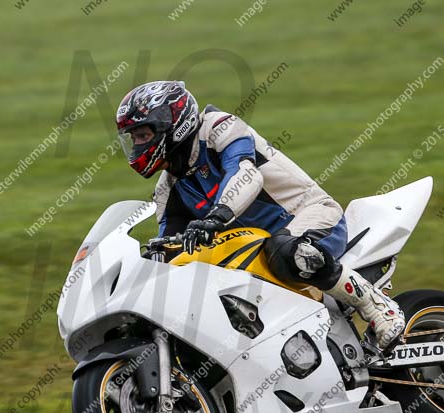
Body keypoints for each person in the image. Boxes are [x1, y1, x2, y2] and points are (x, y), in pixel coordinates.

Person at [116, 80, 404, 349]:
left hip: (307, 215)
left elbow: (245, 175)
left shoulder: (221, 128)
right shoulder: (168, 189)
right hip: (252, 249)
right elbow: (172, 249)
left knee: (286, 251)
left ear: (173, 123)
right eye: (133, 138)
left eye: (143, 135)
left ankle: (377, 306)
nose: (138, 145)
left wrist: (215, 218)